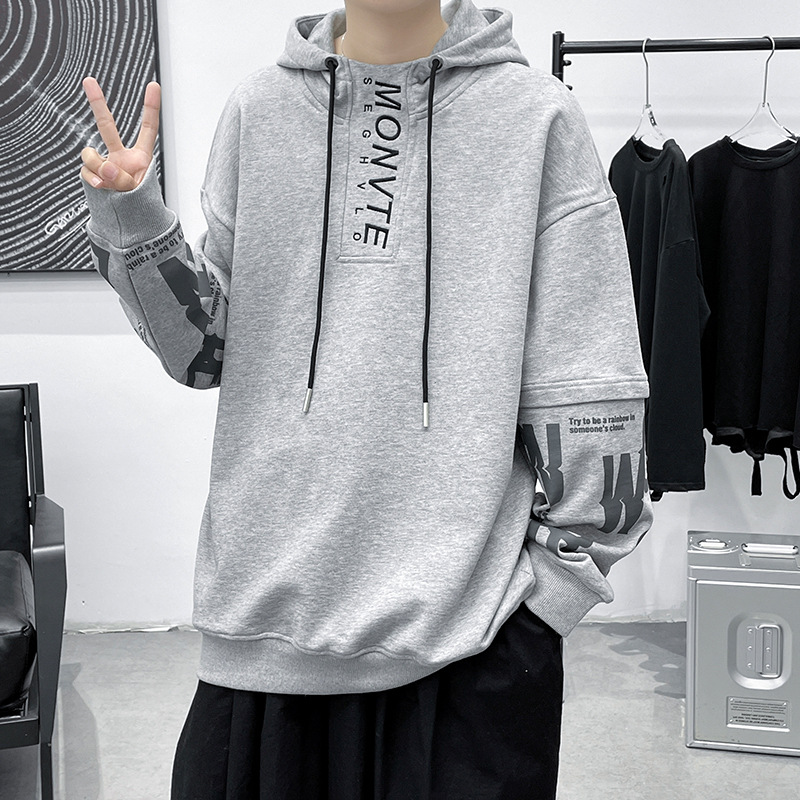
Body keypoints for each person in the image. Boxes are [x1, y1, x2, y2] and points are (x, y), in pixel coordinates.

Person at [80, 1, 653, 797]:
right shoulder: (259, 110)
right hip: (262, 635)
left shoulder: (537, 119)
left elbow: (591, 375)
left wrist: (553, 599)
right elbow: (205, 355)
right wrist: (135, 218)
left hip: (473, 650)